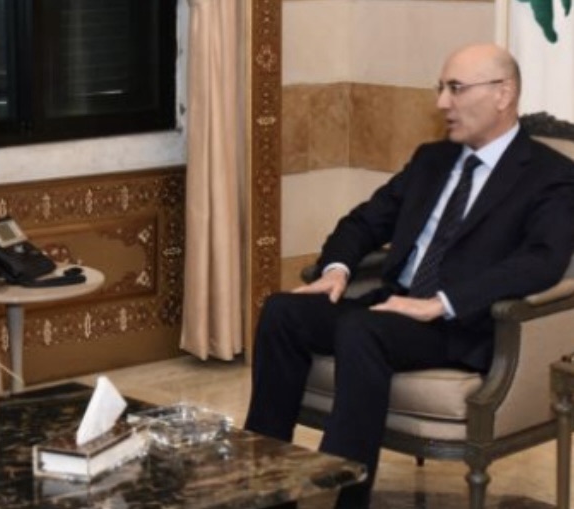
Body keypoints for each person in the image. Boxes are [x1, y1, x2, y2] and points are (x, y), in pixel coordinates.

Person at [243, 43, 574, 508]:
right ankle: (261, 493)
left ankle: (345, 499)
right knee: (283, 311)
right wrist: (336, 270)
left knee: (363, 330)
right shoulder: (432, 160)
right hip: (392, 305)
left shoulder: (550, 174)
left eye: (455, 89)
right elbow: (364, 222)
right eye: (440, 88)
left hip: (463, 325)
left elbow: (541, 262)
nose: (442, 103)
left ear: (503, 94)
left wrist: (441, 303)